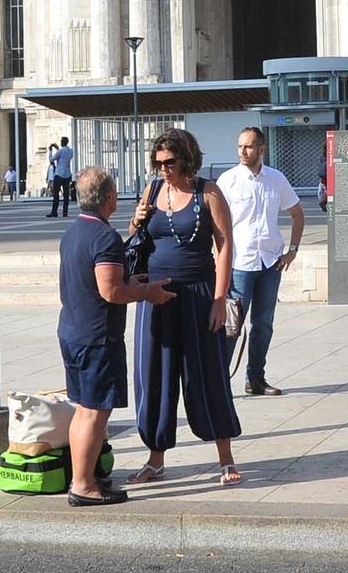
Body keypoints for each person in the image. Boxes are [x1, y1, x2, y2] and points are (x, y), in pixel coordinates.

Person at [126, 129, 243, 484]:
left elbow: (224, 247)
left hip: (198, 293)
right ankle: (155, 459)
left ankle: (225, 457)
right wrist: (136, 218)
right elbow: (135, 239)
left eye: (170, 162)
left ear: (187, 158)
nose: (163, 168)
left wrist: (219, 299)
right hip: (156, 297)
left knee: (206, 374)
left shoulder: (208, 193)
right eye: (158, 162)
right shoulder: (153, 190)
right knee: (155, 376)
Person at [58, 167, 175, 505]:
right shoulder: (104, 237)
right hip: (96, 337)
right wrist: (147, 292)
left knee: (84, 409)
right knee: (94, 412)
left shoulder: (74, 233)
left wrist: (131, 284)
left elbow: (94, 283)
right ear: (109, 198)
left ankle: (85, 477)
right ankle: (83, 486)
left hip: (73, 330)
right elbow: (110, 291)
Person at [217, 127, 304, 397]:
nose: (243, 152)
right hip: (240, 263)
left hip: (270, 263)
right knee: (233, 324)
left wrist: (292, 250)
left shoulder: (276, 179)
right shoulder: (228, 181)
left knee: (263, 323)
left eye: (249, 147)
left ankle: (255, 378)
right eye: (240, 146)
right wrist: (219, 259)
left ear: (262, 149)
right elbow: (216, 226)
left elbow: (297, 214)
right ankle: (219, 381)